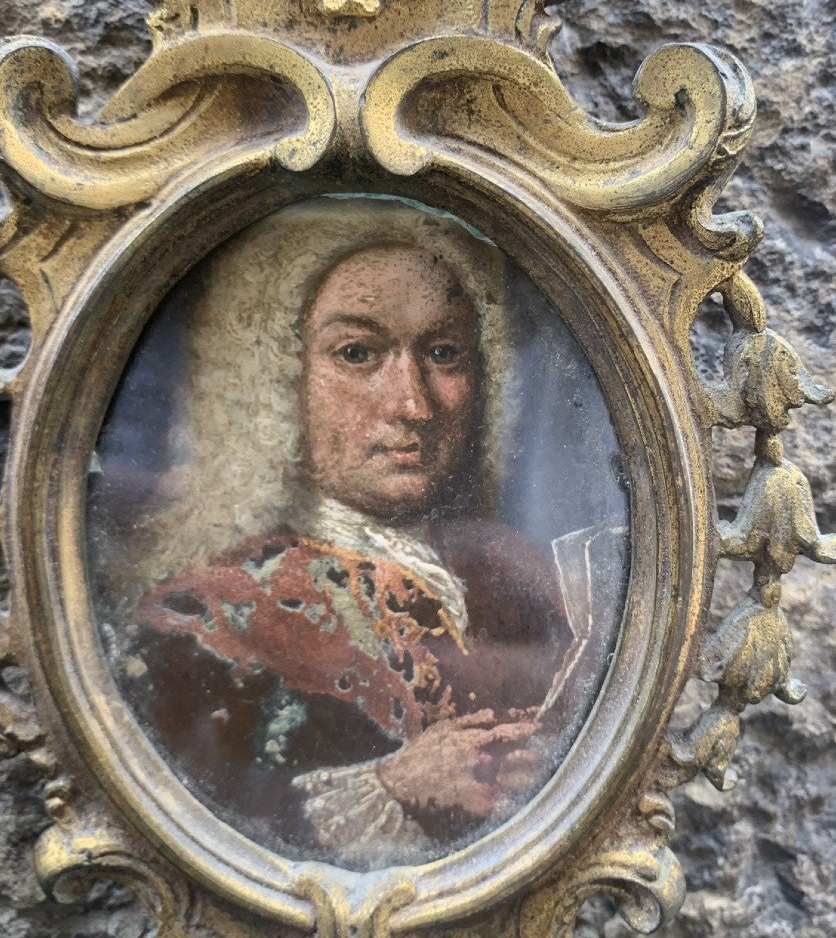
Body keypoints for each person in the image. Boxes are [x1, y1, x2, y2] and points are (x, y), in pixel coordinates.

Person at [121, 197, 597, 868]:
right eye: (357, 352)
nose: (413, 403)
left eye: (443, 352)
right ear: (278, 380)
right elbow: (179, 823)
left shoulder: (519, 579)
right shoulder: (202, 618)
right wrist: (390, 789)